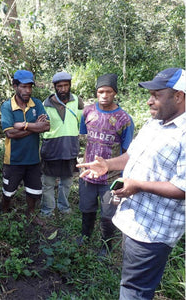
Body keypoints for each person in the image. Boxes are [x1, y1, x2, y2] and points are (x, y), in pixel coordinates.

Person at [77, 68, 186, 299]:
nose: (149, 101)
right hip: (133, 220)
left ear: (178, 96)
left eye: (156, 95)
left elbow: (183, 187)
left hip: (154, 231)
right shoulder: (154, 125)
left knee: (134, 291)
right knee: (130, 283)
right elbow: (131, 155)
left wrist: (138, 186)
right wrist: (107, 164)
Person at [78, 73, 134, 255]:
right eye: (100, 91)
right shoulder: (87, 112)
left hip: (111, 178)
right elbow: (85, 137)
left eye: (108, 91)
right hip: (88, 173)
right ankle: (85, 236)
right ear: (96, 93)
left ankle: (106, 245)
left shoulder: (124, 119)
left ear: (115, 93)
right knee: (87, 208)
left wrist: (123, 177)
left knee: (108, 214)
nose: (104, 95)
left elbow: (127, 152)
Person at [1, 70, 50, 218]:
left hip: (33, 159)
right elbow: (10, 133)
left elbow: (46, 126)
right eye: (23, 86)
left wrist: (24, 125)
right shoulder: (7, 106)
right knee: (8, 191)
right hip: (13, 160)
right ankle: (5, 213)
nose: (27, 90)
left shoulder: (36, 104)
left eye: (30, 86)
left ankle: (31, 215)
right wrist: (35, 126)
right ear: (15, 86)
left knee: (34, 191)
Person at [40, 71, 83, 217]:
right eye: (60, 86)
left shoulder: (77, 101)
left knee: (67, 181)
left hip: (70, 148)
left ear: (70, 85)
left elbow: (82, 121)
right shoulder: (45, 104)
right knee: (48, 182)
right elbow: (40, 126)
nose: (63, 89)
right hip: (51, 148)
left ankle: (64, 207)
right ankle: (48, 210)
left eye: (66, 85)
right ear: (54, 87)